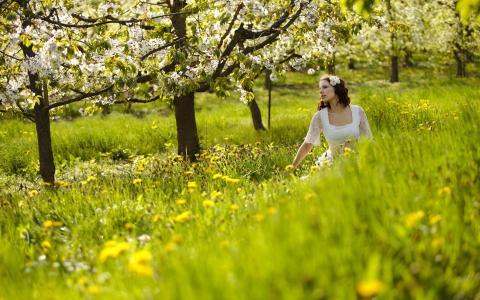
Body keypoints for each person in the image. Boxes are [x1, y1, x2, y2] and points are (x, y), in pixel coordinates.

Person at [287, 74, 373, 173]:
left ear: (337, 89)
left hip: (357, 163)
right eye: (320, 88)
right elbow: (307, 144)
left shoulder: (357, 111)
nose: (321, 91)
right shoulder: (319, 116)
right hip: (332, 165)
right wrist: (291, 168)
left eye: (325, 87)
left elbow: (369, 140)